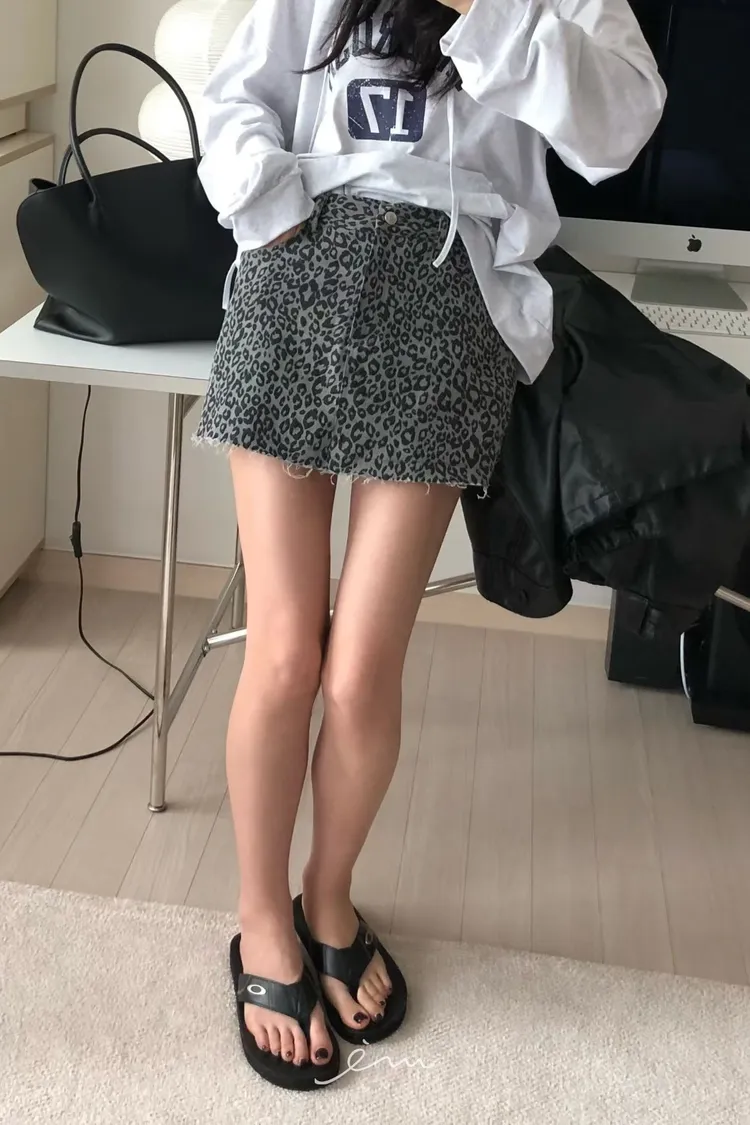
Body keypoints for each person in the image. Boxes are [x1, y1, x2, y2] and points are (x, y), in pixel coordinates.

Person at [193, 0, 665, 1091]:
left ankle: (328, 897)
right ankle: (262, 917)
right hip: (299, 265)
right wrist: (272, 210)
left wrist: (488, 10)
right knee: (282, 654)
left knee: (361, 673)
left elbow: (621, 128)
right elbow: (235, 97)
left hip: (450, 299)